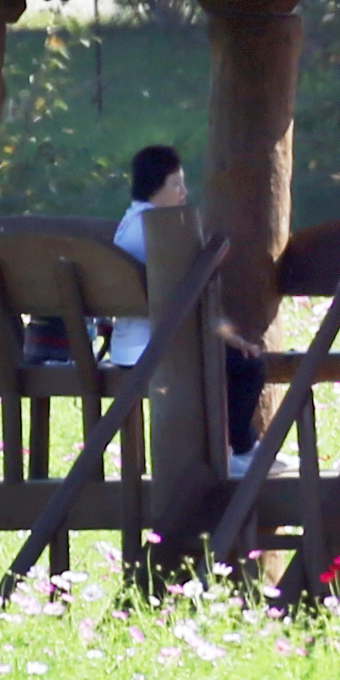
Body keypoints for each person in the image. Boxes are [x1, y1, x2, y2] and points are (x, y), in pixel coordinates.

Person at [109, 144, 261, 458]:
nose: (184, 192)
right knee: (248, 365)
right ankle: (237, 451)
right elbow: (192, 299)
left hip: (127, 347)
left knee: (232, 359)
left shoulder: (129, 224)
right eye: (175, 184)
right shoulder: (161, 230)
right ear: (154, 187)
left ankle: (239, 448)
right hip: (156, 350)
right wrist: (230, 338)